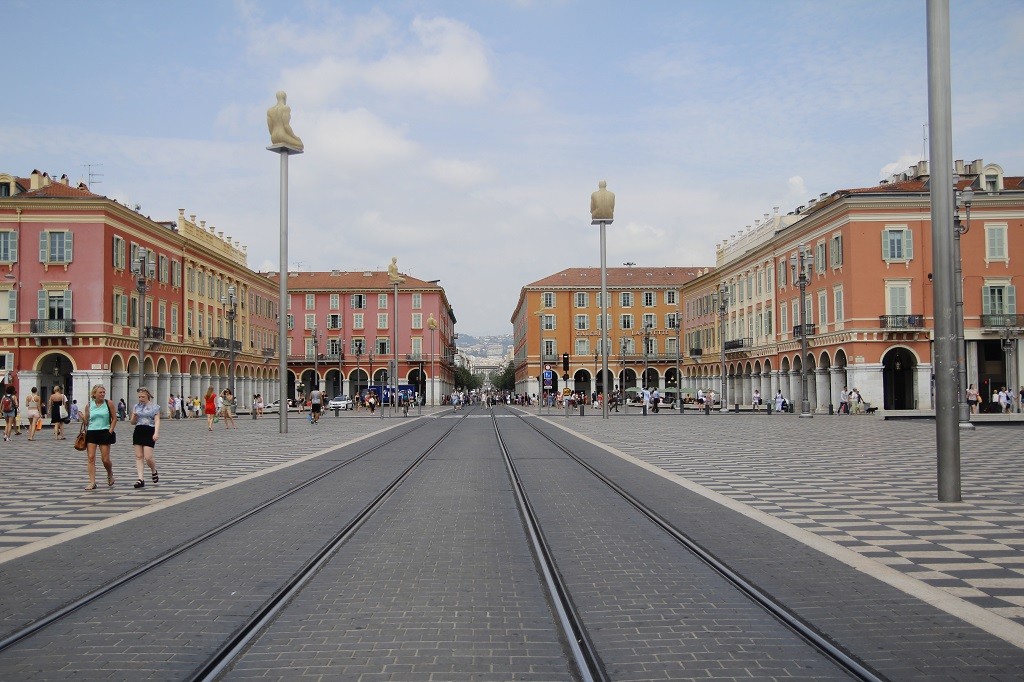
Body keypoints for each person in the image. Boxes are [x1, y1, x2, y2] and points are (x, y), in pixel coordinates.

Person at [82, 384, 117, 490]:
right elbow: (87, 422)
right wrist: (83, 418)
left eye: (103, 392)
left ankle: (110, 473)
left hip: (104, 431)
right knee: (91, 458)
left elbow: (114, 418)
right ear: (94, 394)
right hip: (92, 432)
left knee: (105, 459)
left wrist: (110, 431)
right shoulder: (89, 405)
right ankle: (92, 482)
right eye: (100, 392)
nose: (102, 394)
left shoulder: (108, 403)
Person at [130, 387, 160, 489]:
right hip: (138, 430)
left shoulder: (155, 407)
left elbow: (157, 421)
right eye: (139, 397)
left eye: (142, 396)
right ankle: (140, 479)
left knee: (148, 457)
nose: (141, 399)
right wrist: (134, 416)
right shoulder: (136, 406)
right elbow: (132, 422)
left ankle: (153, 470)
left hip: (149, 430)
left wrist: (156, 433)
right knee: (138, 456)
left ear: (148, 396)